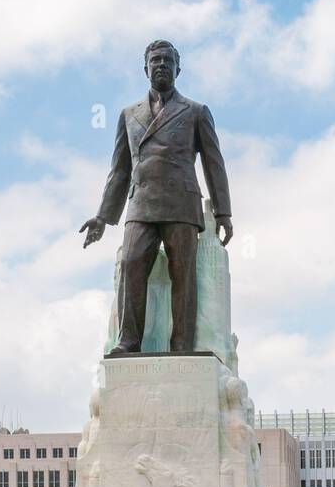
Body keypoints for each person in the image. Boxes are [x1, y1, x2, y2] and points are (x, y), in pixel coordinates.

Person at [79, 40, 233, 355]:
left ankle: (181, 345)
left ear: (178, 68)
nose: (161, 65)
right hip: (141, 203)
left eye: (167, 60)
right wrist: (102, 217)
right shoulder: (127, 114)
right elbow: (119, 171)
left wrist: (223, 212)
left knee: (183, 276)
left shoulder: (196, 111)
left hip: (181, 203)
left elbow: (213, 165)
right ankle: (128, 341)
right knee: (132, 265)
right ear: (145, 68)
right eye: (155, 60)